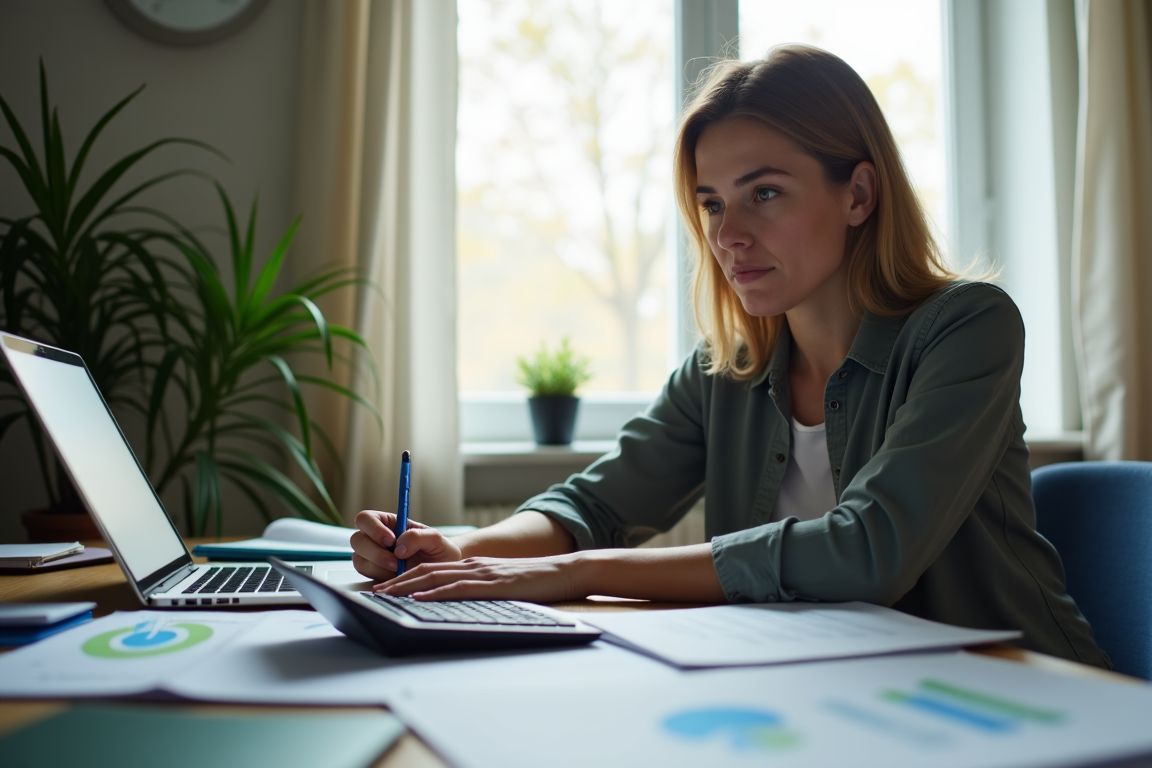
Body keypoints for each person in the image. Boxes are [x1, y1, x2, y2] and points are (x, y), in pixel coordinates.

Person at [351, 44, 1109, 667]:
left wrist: (567, 573)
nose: (727, 235)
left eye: (765, 194)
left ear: (859, 195)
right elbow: (595, 505)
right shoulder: (727, 369)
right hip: (835, 689)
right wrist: (457, 553)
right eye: (711, 202)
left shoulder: (968, 327)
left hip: (1021, 695)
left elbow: (869, 550)